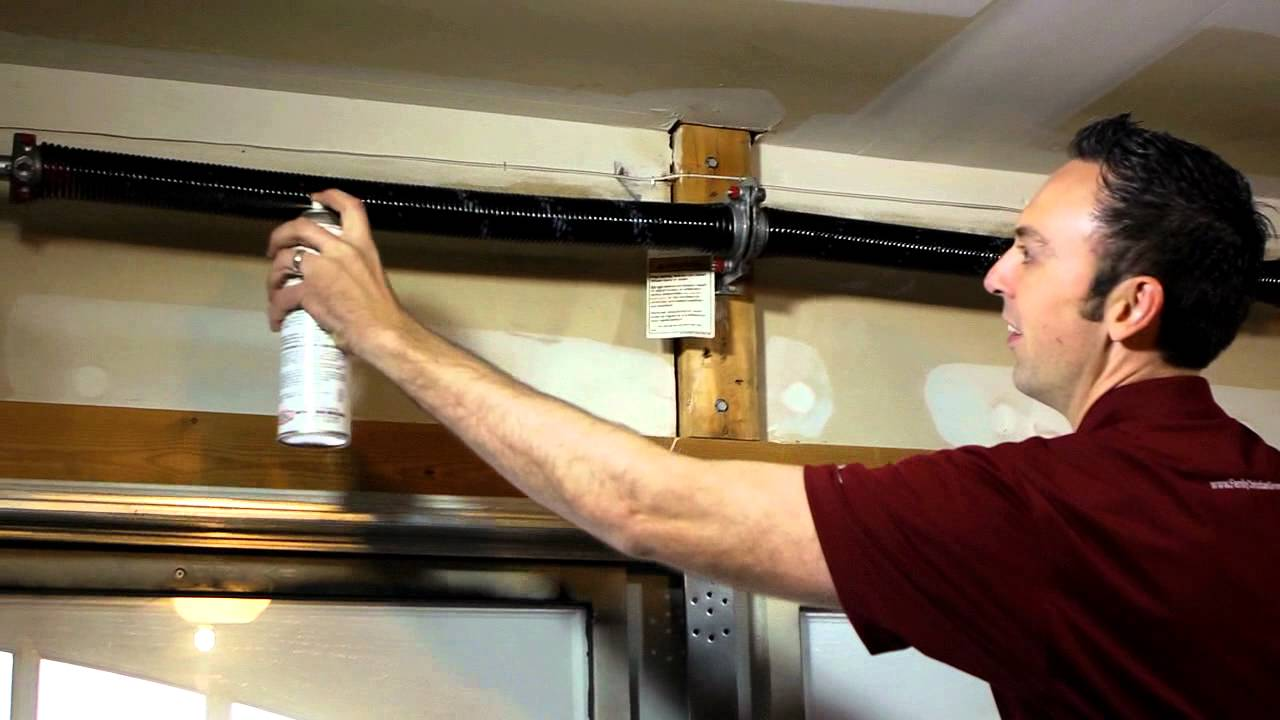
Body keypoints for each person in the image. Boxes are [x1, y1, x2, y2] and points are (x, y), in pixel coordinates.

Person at [266, 114, 1279, 718]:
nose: (993, 277)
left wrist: (383, 333)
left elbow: (645, 506)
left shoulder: (1051, 514)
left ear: (1130, 306)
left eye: (1029, 251)